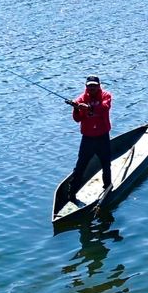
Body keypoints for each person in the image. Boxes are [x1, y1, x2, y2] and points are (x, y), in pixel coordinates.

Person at [64, 75, 112, 203]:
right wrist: (76, 107)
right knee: (80, 167)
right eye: (89, 86)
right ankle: (71, 194)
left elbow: (104, 108)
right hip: (88, 139)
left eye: (94, 86)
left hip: (102, 137)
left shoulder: (106, 96)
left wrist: (89, 108)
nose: (92, 88)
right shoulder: (81, 98)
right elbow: (77, 119)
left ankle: (108, 187)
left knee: (106, 164)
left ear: (99, 86)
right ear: (86, 86)